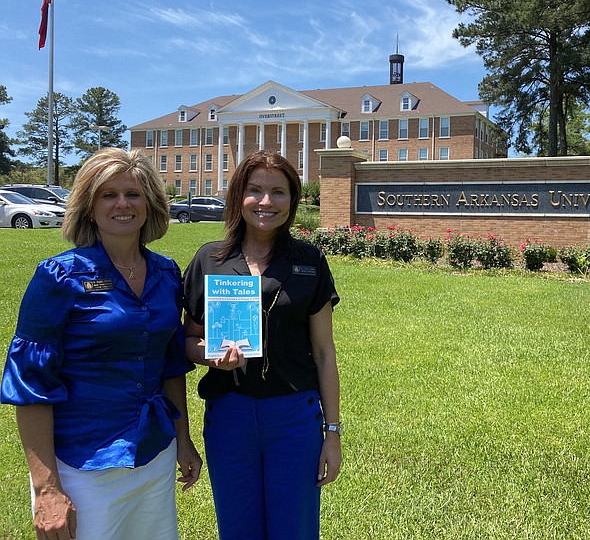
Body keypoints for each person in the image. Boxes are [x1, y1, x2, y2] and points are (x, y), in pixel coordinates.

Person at [1, 148, 202, 540]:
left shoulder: (165, 272)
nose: (122, 203)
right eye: (108, 195)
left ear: (150, 204)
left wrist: (183, 441)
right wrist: (47, 489)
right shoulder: (59, 276)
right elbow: (30, 385)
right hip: (82, 465)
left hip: (153, 455)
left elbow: (170, 366)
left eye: (133, 193)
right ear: (88, 208)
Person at [183, 150, 341, 540]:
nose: (266, 202)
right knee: (238, 527)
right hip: (229, 415)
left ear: (293, 200)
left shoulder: (310, 261)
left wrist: (333, 433)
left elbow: (324, 353)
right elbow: (188, 339)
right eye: (255, 190)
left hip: (293, 416)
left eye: (278, 192)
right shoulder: (210, 259)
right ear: (239, 196)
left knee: (295, 527)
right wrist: (209, 356)